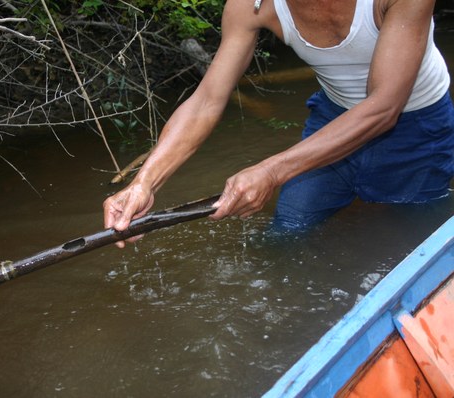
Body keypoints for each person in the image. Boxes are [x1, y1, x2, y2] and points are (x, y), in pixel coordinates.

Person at [104, 0, 454, 247]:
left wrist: (271, 171)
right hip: (333, 117)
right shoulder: (251, 6)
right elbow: (206, 100)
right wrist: (144, 183)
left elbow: (384, 107)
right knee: (288, 230)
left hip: (416, 126)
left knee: (405, 237)